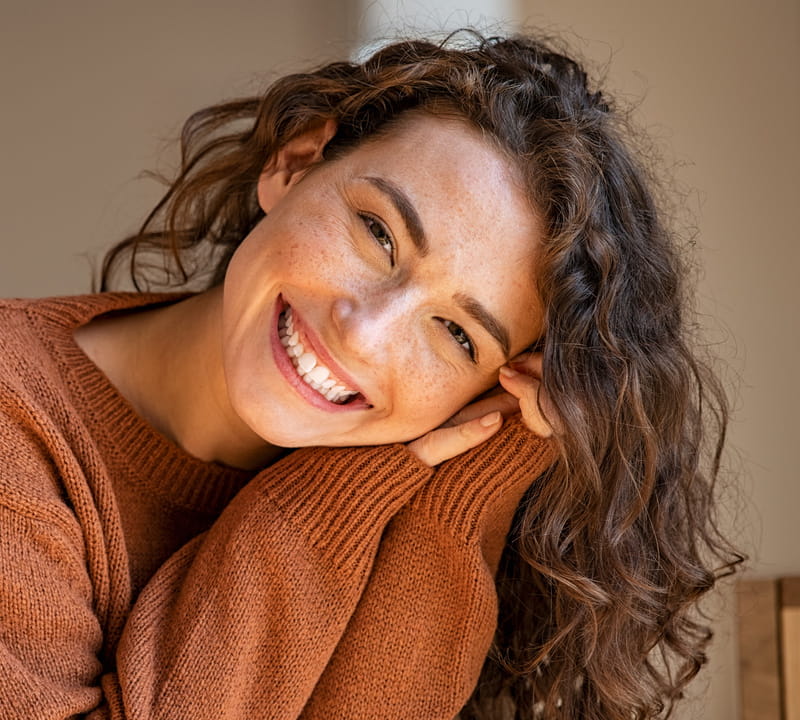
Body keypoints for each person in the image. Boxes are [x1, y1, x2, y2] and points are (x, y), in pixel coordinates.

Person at [0, 31, 739, 720]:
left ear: (494, 383)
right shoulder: (15, 413)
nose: (365, 332)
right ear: (292, 163)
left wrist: (470, 479)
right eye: (378, 233)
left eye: (455, 333)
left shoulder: (411, 503)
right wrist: (320, 505)